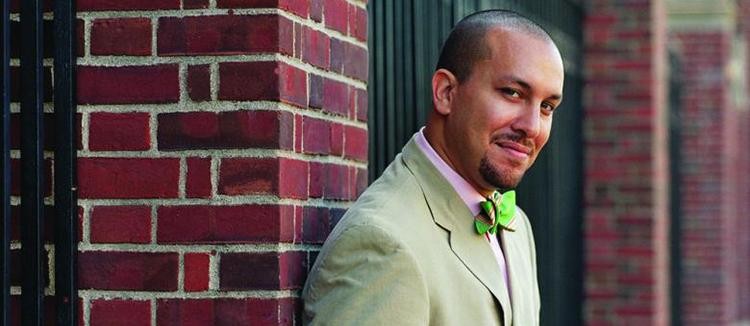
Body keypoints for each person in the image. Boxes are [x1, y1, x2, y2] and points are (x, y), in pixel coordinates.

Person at [302, 9, 564, 325]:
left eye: (547, 106)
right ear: (446, 93)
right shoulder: (381, 242)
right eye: (512, 93)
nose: (533, 127)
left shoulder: (517, 227)